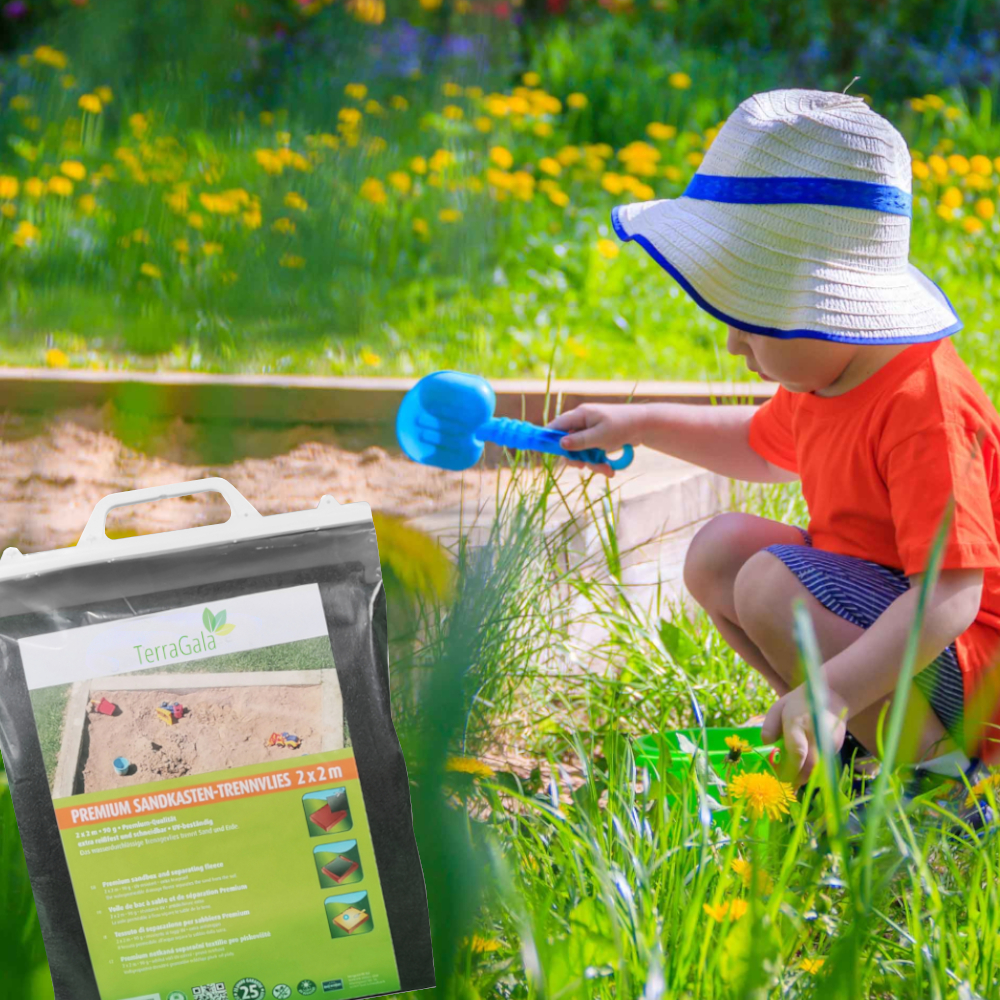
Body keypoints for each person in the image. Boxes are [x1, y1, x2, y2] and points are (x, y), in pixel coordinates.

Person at [549, 89, 1000, 796]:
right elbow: (760, 447)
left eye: (753, 321)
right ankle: (850, 745)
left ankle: (942, 781)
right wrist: (639, 423)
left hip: (970, 674)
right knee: (721, 550)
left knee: (769, 583)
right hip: (880, 625)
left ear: (831, 305)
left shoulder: (926, 407)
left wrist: (834, 688)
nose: (735, 345)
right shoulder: (828, 376)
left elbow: (950, 598)